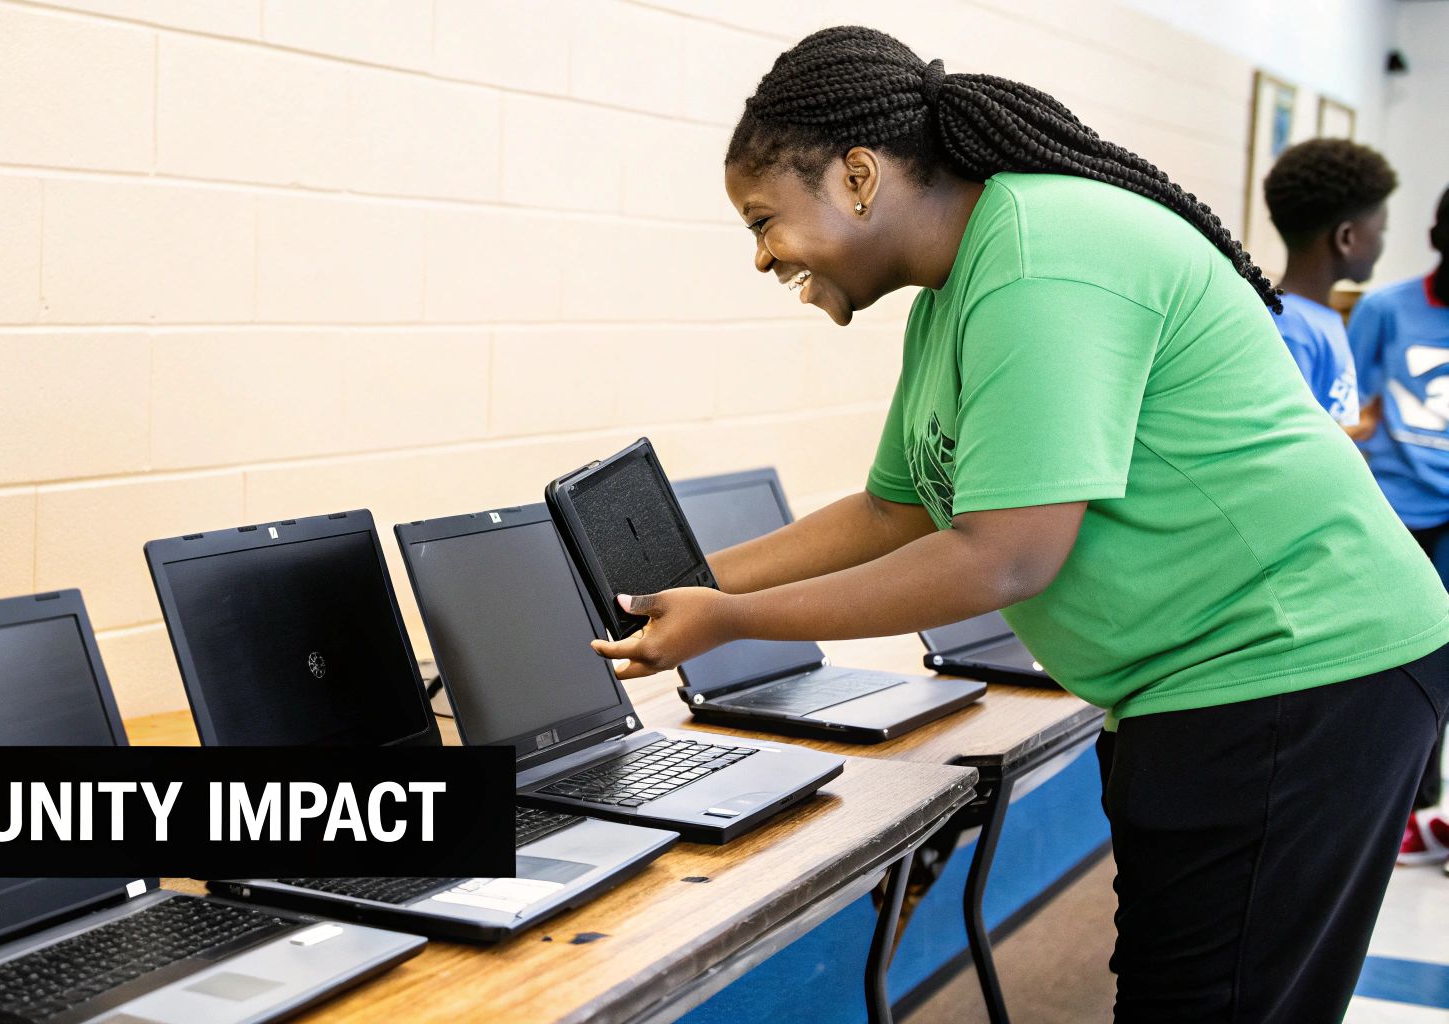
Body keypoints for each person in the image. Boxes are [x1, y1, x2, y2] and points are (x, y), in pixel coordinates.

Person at [588, 26, 1449, 1022]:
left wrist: (730, 622)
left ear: (858, 177)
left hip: (1298, 669)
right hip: (1202, 685)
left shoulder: (1041, 255)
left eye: (764, 220)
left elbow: (1002, 560)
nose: (759, 256)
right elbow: (891, 510)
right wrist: (691, 586)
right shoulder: (954, 292)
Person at [1349, 185, 1449, 869]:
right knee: (1396, 668)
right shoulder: (1387, 309)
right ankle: (1403, 811)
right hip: (1393, 507)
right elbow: (1344, 408)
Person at [1262, 138, 1396, 431]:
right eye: (1381, 231)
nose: (1381, 244)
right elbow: (1289, 440)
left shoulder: (1316, 319)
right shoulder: (1290, 330)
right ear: (1347, 238)